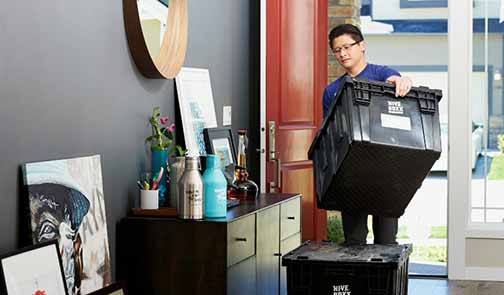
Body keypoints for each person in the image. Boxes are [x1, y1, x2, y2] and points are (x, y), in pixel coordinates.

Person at [323, 24, 412, 245]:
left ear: (361, 45)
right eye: (337, 50)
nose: (342, 54)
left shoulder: (380, 74)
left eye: (347, 47)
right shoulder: (332, 90)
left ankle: (385, 281)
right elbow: (330, 134)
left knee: (386, 241)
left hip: (387, 172)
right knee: (354, 241)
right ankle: (359, 281)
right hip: (351, 175)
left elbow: (396, 79)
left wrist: (402, 81)